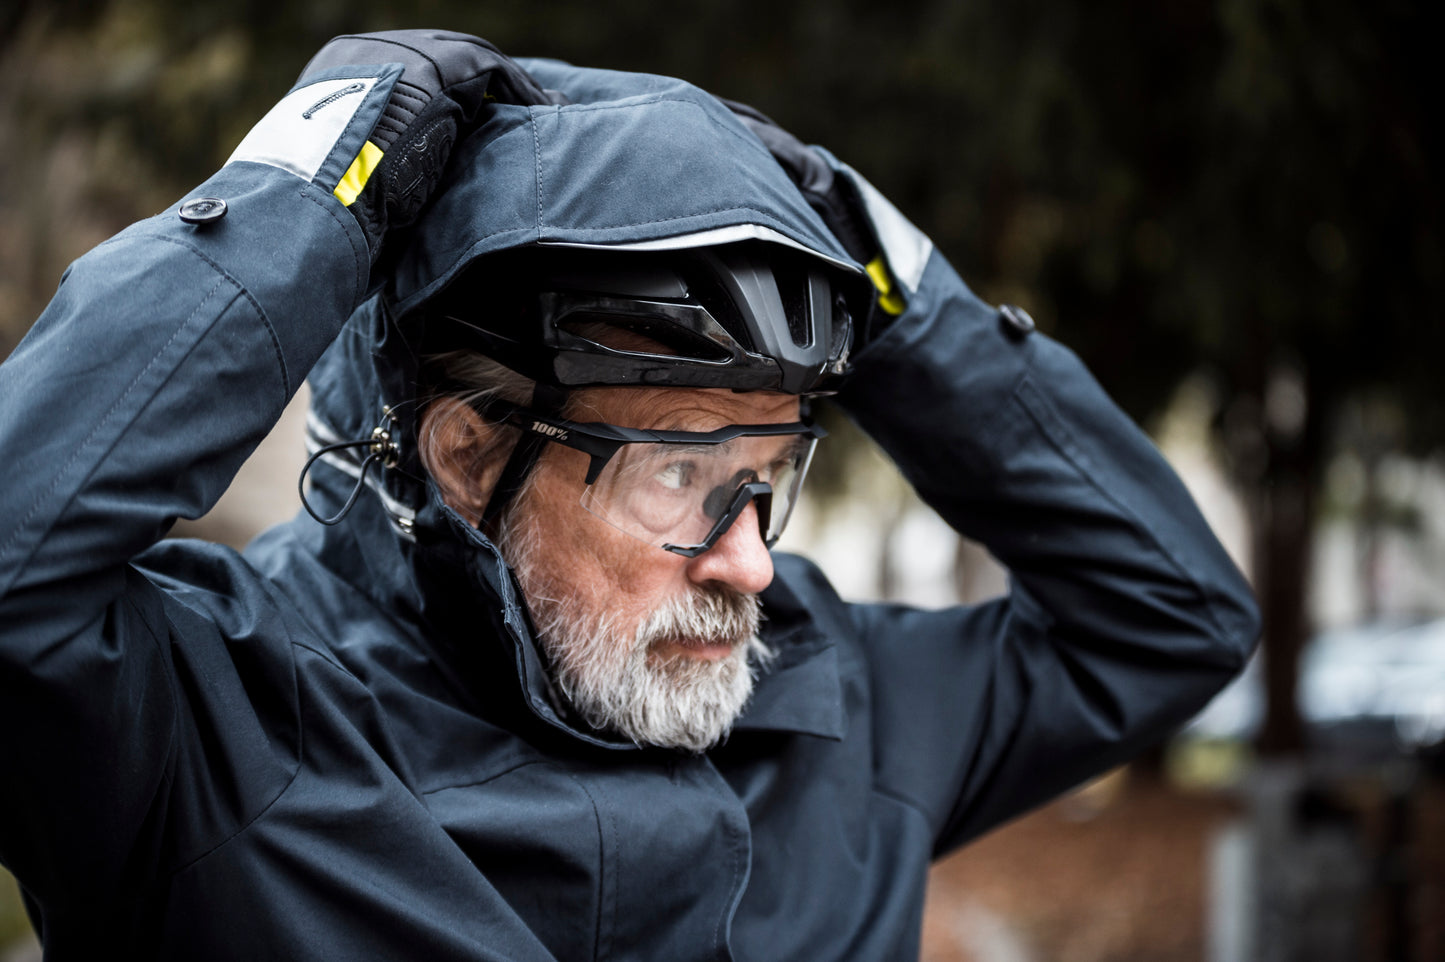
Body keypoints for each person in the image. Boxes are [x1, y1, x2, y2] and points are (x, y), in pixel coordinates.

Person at [0, 30, 1259, 961]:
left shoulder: (831, 693)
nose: (750, 565)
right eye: (679, 474)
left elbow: (1174, 613)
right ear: (470, 456)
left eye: (763, 480)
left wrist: (893, 282)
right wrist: (313, 190)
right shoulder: (207, 718)